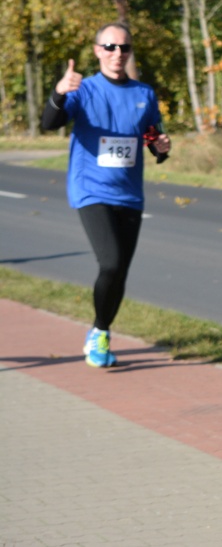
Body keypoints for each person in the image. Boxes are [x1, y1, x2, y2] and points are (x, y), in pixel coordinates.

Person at [40, 22, 171, 368]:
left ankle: (100, 331)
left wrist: (160, 147)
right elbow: (50, 123)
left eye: (124, 48)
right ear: (98, 50)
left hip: (130, 194)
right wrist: (58, 92)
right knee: (110, 262)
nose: (117, 54)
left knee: (119, 272)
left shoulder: (144, 93)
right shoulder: (83, 90)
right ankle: (99, 333)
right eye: (110, 47)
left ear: (130, 52)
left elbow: (151, 135)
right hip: (91, 189)